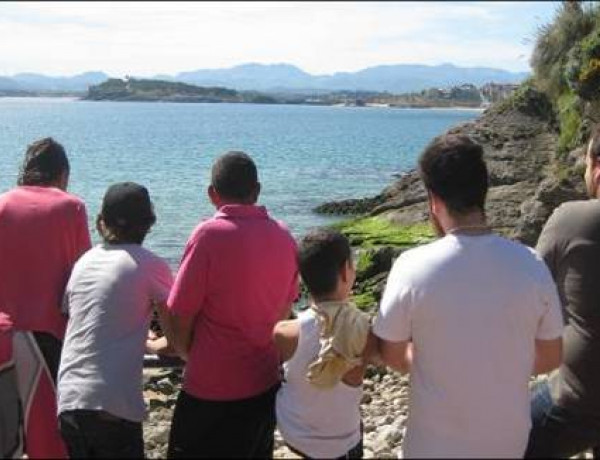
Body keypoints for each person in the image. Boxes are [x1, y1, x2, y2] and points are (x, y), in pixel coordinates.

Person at [373, 134, 564, 458]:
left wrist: (439, 363)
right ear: (483, 192)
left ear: (433, 200)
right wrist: (500, 363)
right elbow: (550, 356)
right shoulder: (531, 265)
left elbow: (391, 354)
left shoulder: (411, 267)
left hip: (431, 447)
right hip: (508, 444)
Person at [158, 151, 299, 458]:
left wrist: (185, 352)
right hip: (264, 382)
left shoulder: (208, 235)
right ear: (257, 190)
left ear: (212, 194)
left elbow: (181, 313)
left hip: (210, 387)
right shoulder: (285, 237)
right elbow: (284, 313)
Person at [56, 182, 173, 458]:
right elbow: (178, 339)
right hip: (111, 405)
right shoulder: (150, 264)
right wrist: (154, 346)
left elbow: (88, 321)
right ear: (149, 223)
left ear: (101, 221)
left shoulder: (83, 263)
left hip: (69, 400)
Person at [0, 137, 91, 458]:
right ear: (63, 173)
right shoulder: (72, 207)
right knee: (49, 439)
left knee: (8, 436)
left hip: (5, 334)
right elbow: (84, 276)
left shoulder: (2, 203)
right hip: (51, 334)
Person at [525, 126, 600, 458]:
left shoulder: (574, 219)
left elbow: (528, 293)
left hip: (581, 401)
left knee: (499, 442)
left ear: (597, 169)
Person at [274, 228, 374, 459]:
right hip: (341, 443)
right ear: (346, 272)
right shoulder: (364, 331)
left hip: (295, 436)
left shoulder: (284, 332)